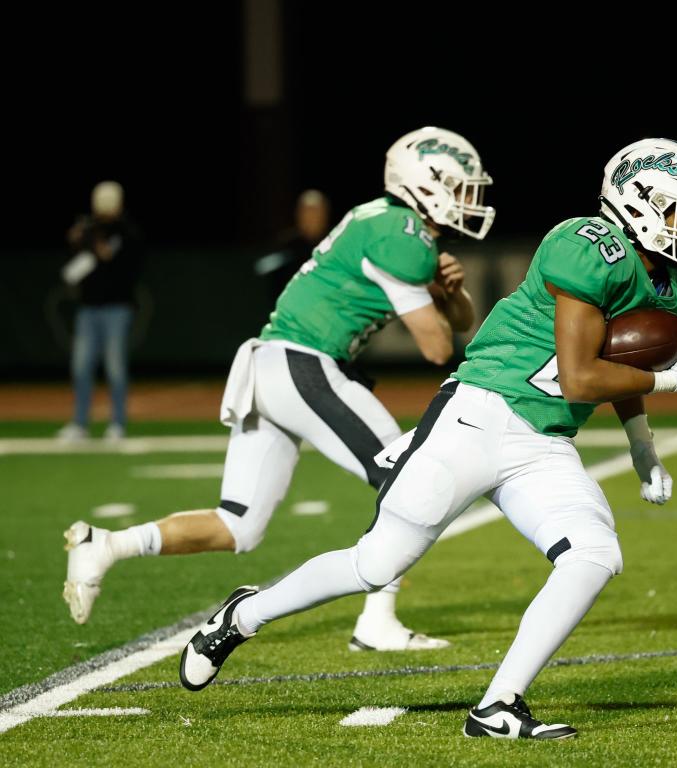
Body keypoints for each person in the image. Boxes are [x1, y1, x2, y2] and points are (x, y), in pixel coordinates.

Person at [178, 138, 677, 740]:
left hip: (543, 442)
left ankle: (498, 706)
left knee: (594, 555)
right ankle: (241, 616)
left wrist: (641, 446)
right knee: (375, 564)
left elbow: (608, 362)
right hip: (478, 416)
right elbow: (580, 373)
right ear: (638, 203)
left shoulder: (674, 281)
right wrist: (666, 379)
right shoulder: (588, 246)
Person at [63, 127, 494, 653]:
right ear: (424, 184)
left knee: (238, 525)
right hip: (302, 364)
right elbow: (435, 345)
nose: (469, 198)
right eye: (459, 186)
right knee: (410, 480)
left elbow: (460, 315)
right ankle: (376, 620)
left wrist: (445, 289)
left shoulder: (389, 224)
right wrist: (436, 291)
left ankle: (104, 546)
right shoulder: (400, 233)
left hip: (270, 369)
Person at [58, 181, 142, 441]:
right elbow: (75, 264)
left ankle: (117, 423)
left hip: (117, 308)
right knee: (81, 366)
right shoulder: (88, 229)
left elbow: (130, 262)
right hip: (88, 308)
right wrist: (77, 240)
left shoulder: (126, 231)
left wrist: (101, 247)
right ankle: (80, 423)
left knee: (115, 367)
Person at [255, 189, 331, 299]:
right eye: (306, 212)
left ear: (325, 214)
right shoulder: (285, 245)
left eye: (315, 212)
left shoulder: (335, 241)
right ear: (298, 214)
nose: (311, 218)